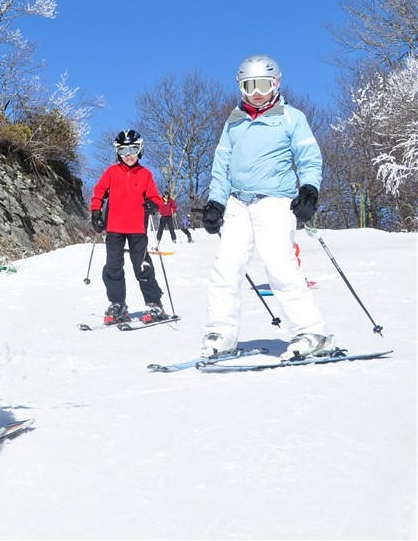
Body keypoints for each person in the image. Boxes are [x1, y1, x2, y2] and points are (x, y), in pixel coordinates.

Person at [199, 55, 330, 361]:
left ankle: (312, 332)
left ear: (277, 83)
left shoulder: (291, 117)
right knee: (226, 268)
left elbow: (310, 157)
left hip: (274, 201)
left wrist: (309, 191)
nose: (256, 93)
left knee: (280, 266)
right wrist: (216, 202)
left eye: (263, 85)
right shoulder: (233, 122)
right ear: (240, 87)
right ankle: (221, 333)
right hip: (238, 203)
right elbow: (221, 167)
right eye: (249, 86)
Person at [89, 129, 167, 325]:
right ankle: (118, 304)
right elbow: (99, 192)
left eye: (133, 149)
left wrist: (154, 205)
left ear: (140, 149)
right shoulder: (111, 172)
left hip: (137, 229)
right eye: (124, 151)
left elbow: (156, 198)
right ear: (118, 152)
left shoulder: (146, 174)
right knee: (113, 267)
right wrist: (96, 212)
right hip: (114, 227)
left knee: (141, 266)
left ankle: (154, 303)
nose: (129, 155)